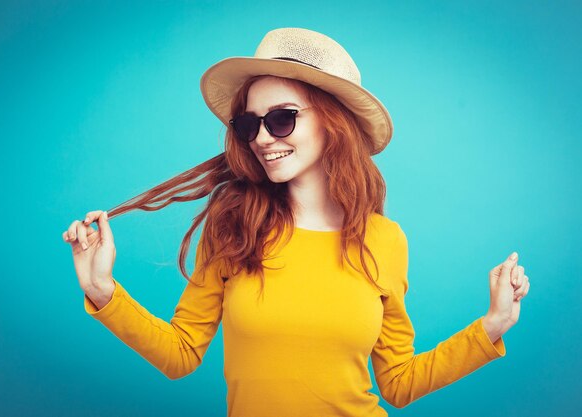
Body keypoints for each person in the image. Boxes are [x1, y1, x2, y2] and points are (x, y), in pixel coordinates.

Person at [62, 28, 530, 416]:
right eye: (249, 125)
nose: (262, 138)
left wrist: (493, 324)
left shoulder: (385, 240)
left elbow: (399, 382)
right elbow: (181, 353)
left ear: (333, 123)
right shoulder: (234, 227)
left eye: (282, 119)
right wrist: (104, 291)